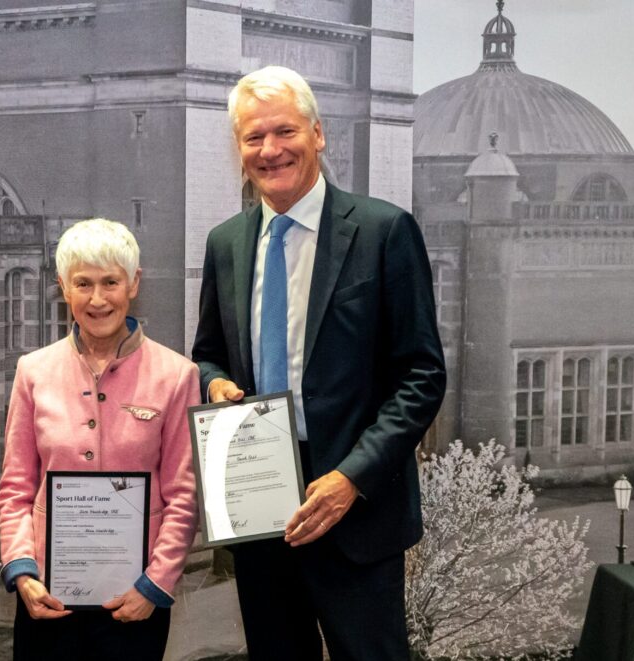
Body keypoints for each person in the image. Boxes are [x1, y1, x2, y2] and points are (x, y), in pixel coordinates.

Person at [191, 65, 446, 660]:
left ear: (318, 134)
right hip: (260, 511)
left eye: (285, 131)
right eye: (254, 137)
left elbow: (422, 376)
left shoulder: (385, 231)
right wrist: (218, 381)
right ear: (239, 148)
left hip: (355, 513)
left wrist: (349, 480)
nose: (270, 149)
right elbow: (207, 353)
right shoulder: (225, 242)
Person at [0, 219, 200, 660]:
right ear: (63, 288)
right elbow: (16, 489)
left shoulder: (177, 375)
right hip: (46, 598)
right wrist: (23, 572)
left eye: (110, 281)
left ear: (134, 284)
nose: (97, 298)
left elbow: (183, 497)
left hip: (135, 600)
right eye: (82, 283)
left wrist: (155, 584)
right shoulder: (34, 371)